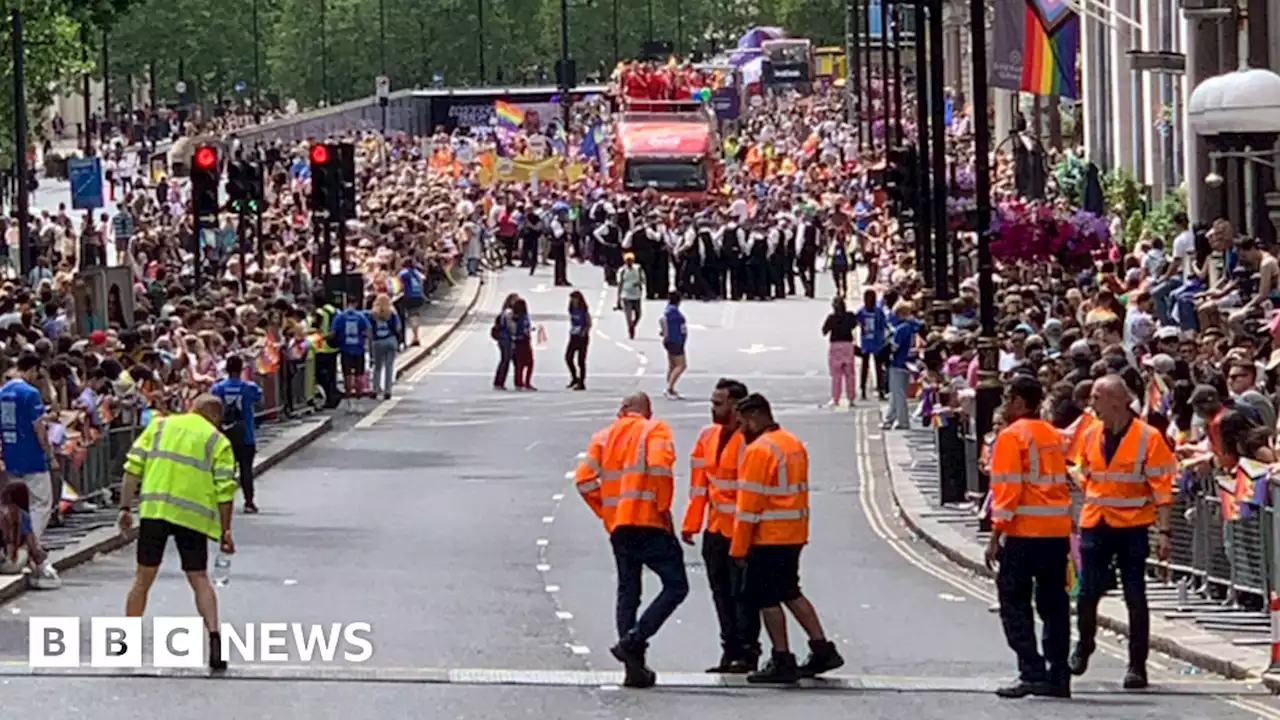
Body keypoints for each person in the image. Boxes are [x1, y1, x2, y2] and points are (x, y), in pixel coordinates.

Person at [574, 392, 687, 688]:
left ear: (623, 409)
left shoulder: (603, 437)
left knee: (628, 591)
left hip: (619, 526)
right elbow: (661, 470)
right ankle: (634, 640)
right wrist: (663, 510)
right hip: (649, 521)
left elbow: (584, 480)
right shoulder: (655, 429)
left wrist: (608, 512)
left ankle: (633, 669)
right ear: (646, 411)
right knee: (676, 586)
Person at [1070, 374, 1175, 689]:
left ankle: (1137, 666)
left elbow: (1162, 489)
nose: (1092, 406)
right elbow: (1083, 470)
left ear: (1116, 400)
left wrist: (1165, 532)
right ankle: (1084, 644)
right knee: (1087, 593)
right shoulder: (1090, 434)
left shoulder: (1149, 438)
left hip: (1132, 526)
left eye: (1096, 399)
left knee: (1135, 596)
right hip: (1096, 521)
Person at [117, 394, 237, 670]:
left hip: (154, 512)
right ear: (215, 417)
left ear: (191, 407)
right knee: (199, 579)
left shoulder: (159, 426)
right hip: (192, 517)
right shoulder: (218, 441)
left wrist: (125, 508)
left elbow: (131, 469)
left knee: (142, 578)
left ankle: (127, 642)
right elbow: (225, 490)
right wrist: (226, 530)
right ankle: (215, 640)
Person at [731, 393, 843, 683]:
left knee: (766, 597)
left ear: (755, 418)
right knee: (790, 591)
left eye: (742, 423)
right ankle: (822, 648)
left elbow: (748, 506)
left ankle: (781, 658)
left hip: (768, 537)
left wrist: (739, 548)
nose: (740, 429)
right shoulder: (791, 443)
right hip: (793, 533)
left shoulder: (759, 450)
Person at [985, 375, 1072, 699]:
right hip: (1055, 532)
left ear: (1020, 401)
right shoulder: (1054, 434)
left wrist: (996, 536)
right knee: (1054, 606)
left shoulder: (1011, 437)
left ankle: (1031, 671)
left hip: (1024, 533)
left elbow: (1007, 491)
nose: (1005, 405)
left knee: (1014, 604)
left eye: (1008, 398)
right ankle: (1058, 674)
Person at [681, 378, 760, 673]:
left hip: (742, 531)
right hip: (714, 531)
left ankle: (748, 653)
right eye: (712, 402)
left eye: (718, 403)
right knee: (721, 596)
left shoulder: (751, 441)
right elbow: (699, 486)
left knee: (744, 596)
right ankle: (730, 652)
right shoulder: (706, 436)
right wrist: (692, 523)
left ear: (736, 406)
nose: (712, 408)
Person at [0, 353, 58, 547]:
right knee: (41, 503)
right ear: (33, 369)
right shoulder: (30, 393)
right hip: (32, 457)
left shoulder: (3, 392)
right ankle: (31, 543)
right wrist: (50, 455)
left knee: (18, 503)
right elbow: (39, 428)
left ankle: (17, 541)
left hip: (11, 456)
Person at [210, 355, 263, 514]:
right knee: (246, 469)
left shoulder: (218, 388)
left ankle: (221, 502)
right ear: (241, 369)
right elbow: (259, 398)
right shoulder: (250, 388)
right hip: (246, 434)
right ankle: (248, 502)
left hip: (224, 435)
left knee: (224, 471)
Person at [883, 301, 923, 430]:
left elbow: (894, 347)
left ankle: (903, 421)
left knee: (898, 394)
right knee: (897, 394)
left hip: (898, 362)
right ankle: (889, 419)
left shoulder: (901, 329)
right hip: (908, 363)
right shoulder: (913, 326)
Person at [821, 296, 858, 408]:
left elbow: (824, 331)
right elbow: (854, 325)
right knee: (850, 374)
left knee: (836, 374)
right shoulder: (850, 316)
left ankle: (835, 398)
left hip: (835, 346)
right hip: (848, 345)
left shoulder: (831, 318)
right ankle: (851, 398)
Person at [333, 294, 372, 400]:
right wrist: (366, 339)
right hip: (359, 348)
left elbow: (333, 331)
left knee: (347, 372)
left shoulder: (340, 316)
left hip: (345, 348)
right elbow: (368, 330)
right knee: (359, 373)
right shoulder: (361, 316)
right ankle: (359, 393)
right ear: (356, 304)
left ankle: (348, 392)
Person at [855, 288, 889, 401]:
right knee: (871, 367)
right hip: (872, 342)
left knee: (873, 367)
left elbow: (857, 322)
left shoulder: (865, 311)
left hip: (872, 342)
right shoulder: (874, 311)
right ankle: (870, 389)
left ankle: (874, 389)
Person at [368, 293, 403, 400]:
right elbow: (398, 327)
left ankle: (375, 389)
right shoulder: (392, 313)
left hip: (377, 342)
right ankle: (388, 391)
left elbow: (369, 329)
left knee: (377, 367)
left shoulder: (372, 314)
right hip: (390, 340)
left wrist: (371, 340)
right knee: (389, 367)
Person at [312, 292, 341, 408]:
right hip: (333, 346)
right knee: (332, 374)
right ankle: (334, 395)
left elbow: (316, 328)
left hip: (322, 347)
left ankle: (331, 396)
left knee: (321, 375)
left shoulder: (319, 312)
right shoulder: (334, 310)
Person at [659, 291, 687, 400]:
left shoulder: (669, 309)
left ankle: (670, 386)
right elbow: (663, 320)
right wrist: (666, 333)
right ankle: (669, 388)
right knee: (681, 365)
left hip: (672, 340)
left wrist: (664, 332)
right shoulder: (673, 312)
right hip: (675, 340)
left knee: (672, 365)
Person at [397, 258, 427, 347]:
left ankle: (415, 338)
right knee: (415, 316)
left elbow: (398, 284)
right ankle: (415, 336)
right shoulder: (415, 271)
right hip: (419, 295)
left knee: (411, 316)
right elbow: (423, 278)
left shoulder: (403, 273)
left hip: (409, 296)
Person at [492, 293, 519, 390]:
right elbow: (511, 327)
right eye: (515, 300)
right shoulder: (509, 312)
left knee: (505, 361)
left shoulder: (504, 311)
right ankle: (500, 382)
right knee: (506, 361)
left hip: (503, 339)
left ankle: (499, 382)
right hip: (506, 340)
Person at [617, 252, 646, 340]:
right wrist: (618, 299)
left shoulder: (638, 269)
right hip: (626, 295)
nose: (629, 262)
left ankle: (633, 325)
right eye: (627, 261)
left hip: (637, 295)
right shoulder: (622, 271)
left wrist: (639, 283)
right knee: (628, 315)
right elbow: (620, 284)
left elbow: (643, 279)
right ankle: (630, 329)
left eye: (630, 260)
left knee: (639, 314)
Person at [566, 290, 591, 390]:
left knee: (581, 361)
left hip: (582, 337)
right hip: (573, 335)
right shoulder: (571, 309)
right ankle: (574, 378)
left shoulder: (583, 310)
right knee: (568, 357)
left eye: (574, 299)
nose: (573, 301)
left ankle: (582, 382)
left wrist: (584, 331)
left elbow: (589, 323)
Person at [511, 297, 536, 391]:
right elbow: (524, 328)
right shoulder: (523, 317)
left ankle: (518, 382)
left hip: (517, 341)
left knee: (519, 364)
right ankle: (525, 382)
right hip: (523, 341)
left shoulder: (514, 316)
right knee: (529, 362)